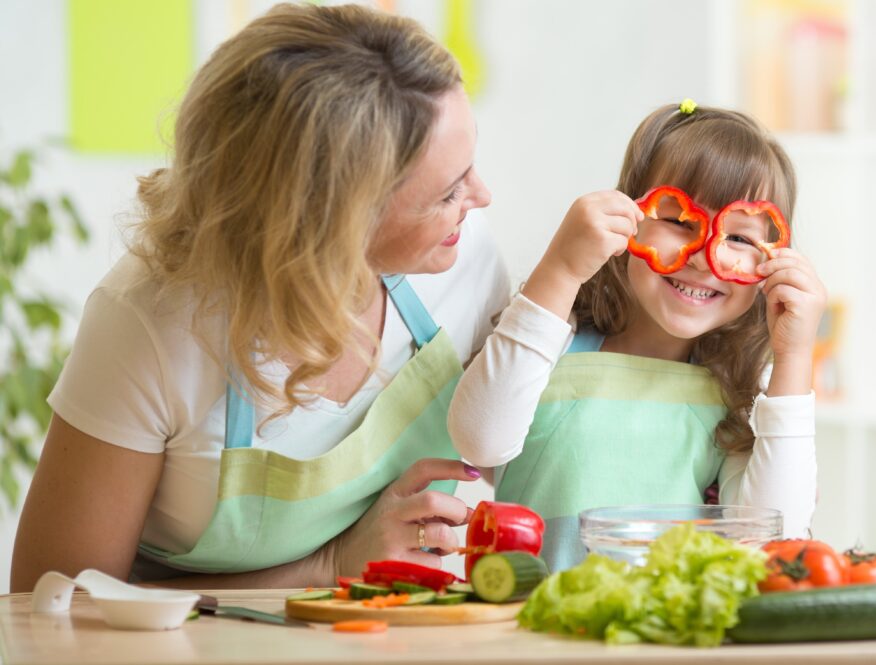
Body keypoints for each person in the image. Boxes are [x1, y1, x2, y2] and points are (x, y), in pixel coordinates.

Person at [10, 3, 509, 592]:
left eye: (469, 168)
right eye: (447, 193)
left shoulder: (462, 255)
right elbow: (51, 604)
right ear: (332, 224)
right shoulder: (152, 323)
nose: (481, 197)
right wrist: (327, 567)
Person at [448, 102, 825, 570]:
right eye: (680, 222)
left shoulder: (737, 392)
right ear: (629, 218)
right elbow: (479, 442)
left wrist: (793, 358)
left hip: (664, 639)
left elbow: (778, 538)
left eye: (741, 239)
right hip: (527, 631)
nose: (705, 257)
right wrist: (561, 269)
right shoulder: (554, 341)